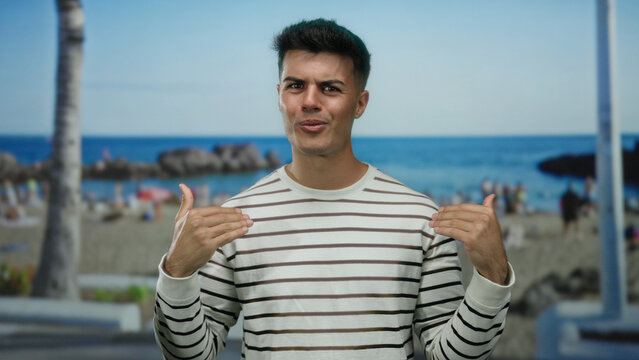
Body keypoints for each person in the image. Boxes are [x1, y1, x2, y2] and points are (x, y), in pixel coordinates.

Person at [154, 19, 514, 360]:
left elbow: (451, 355)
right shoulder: (234, 220)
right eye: (296, 85)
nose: (310, 100)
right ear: (280, 95)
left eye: (330, 88)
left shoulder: (420, 217)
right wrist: (177, 272)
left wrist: (492, 277)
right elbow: (190, 354)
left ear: (360, 103)